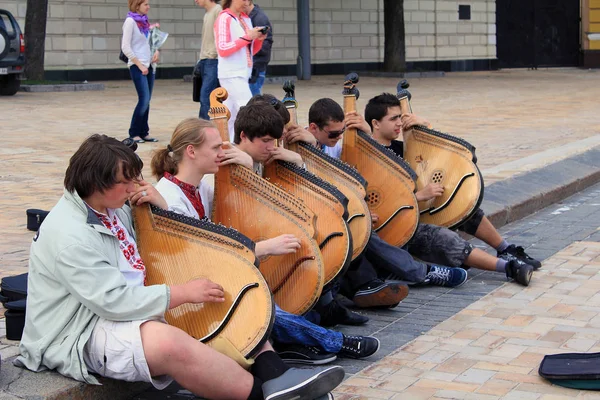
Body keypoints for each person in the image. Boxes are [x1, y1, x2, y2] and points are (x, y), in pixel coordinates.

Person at [15, 134, 346, 400]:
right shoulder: (69, 233)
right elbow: (112, 303)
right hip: (79, 329)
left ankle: (275, 372)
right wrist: (182, 292)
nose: (134, 188)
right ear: (94, 183)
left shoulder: (111, 205)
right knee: (168, 343)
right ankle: (263, 395)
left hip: (128, 301)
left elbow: (155, 242)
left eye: (135, 179)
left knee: (224, 289)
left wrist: (158, 206)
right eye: (125, 182)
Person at [151, 117, 382, 364]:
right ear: (191, 151)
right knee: (259, 303)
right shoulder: (170, 200)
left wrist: (246, 167)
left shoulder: (200, 189)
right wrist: (263, 248)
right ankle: (336, 341)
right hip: (192, 294)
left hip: (212, 277)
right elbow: (203, 255)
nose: (223, 152)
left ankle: (300, 341)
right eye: (216, 147)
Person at [282, 98, 470, 299]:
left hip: (343, 208)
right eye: (334, 133)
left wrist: (368, 133)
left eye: (341, 131)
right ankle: (421, 273)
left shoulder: (334, 141)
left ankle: (393, 275)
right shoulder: (296, 143)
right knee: (362, 232)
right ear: (313, 128)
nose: (338, 137)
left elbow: (363, 165)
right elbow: (311, 179)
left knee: (366, 228)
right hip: (317, 214)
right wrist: (311, 146)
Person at [246, 95, 412, 321]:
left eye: (284, 130)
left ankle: (346, 294)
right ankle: (346, 295)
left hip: (287, 217)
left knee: (346, 223)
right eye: (277, 132)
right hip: (268, 227)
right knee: (332, 231)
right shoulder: (256, 154)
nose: (283, 135)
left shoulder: (282, 147)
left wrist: (304, 151)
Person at [363, 93, 541, 282]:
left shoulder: (404, 148)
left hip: (418, 212)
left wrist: (426, 125)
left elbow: (445, 156)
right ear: (375, 124)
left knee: (463, 206)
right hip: (397, 227)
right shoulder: (366, 156)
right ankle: (510, 268)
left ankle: (505, 250)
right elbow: (377, 204)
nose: (399, 123)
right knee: (444, 238)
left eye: (400, 117)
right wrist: (418, 196)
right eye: (393, 119)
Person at [215, 0, 267, 141]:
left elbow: (250, 51)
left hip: (242, 72)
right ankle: (248, 145)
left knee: (230, 116)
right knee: (248, 111)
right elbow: (223, 48)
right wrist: (247, 37)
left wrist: (258, 40)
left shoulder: (245, 19)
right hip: (231, 73)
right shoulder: (224, 18)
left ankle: (227, 145)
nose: (247, 2)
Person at [121, 0, 160, 143]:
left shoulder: (144, 22)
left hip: (149, 65)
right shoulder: (130, 22)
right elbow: (125, 47)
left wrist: (156, 52)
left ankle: (144, 132)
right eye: (146, 4)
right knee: (143, 99)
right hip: (138, 66)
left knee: (147, 100)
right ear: (137, 6)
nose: (148, 7)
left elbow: (148, 43)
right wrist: (139, 65)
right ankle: (134, 132)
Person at [195, 0, 222, 120]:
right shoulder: (207, 13)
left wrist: (213, 54)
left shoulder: (218, 10)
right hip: (204, 60)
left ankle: (205, 128)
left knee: (206, 96)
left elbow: (220, 35)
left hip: (213, 60)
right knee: (205, 96)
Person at [246, 1, 273, 96]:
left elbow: (266, 44)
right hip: (253, 66)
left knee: (254, 102)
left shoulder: (259, 18)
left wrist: (247, 46)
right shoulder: (249, 17)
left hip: (256, 67)